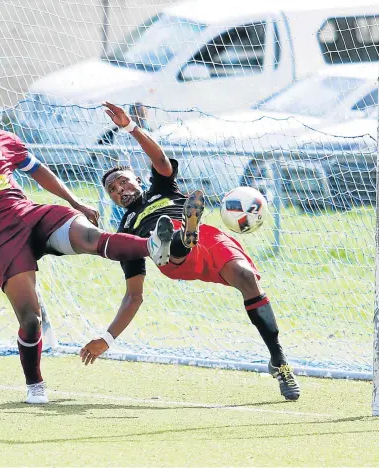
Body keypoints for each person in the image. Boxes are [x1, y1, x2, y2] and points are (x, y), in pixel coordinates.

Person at [0, 77, 174, 404]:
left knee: (87, 236)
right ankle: (35, 385)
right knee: (30, 318)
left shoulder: (4, 139)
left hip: (30, 216)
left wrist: (75, 202)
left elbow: (37, 171)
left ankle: (153, 246)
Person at [79, 102, 301, 401]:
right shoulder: (125, 232)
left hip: (207, 239)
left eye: (122, 181)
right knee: (169, 232)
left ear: (137, 179)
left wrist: (130, 128)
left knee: (247, 278)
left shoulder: (161, 188)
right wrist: (107, 339)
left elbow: (158, 158)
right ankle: (181, 234)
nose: (118, 189)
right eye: (111, 190)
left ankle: (279, 362)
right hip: (172, 259)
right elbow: (134, 295)